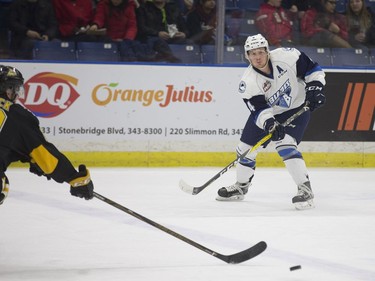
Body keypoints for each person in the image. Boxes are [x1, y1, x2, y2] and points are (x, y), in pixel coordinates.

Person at [216, 34, 326, 210]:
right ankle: (241, 187)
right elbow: (259, 110)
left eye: (260, 52)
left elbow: (313, 69)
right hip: (270, 113)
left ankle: (305, 190)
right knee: (244, 149)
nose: (257, 57)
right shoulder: (248, 82)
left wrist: (316, 87)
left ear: (268, 51)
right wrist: (270, 124)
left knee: (285, 144)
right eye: (252, 54)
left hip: (296, 107)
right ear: (247, 56)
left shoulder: (287, 56)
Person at [0, 65, 94, 206]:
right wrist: (75, 178)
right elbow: (45, 156)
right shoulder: (16, 116)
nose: (17, 95)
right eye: (14, 89)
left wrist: (29, 158)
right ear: (6, 89)